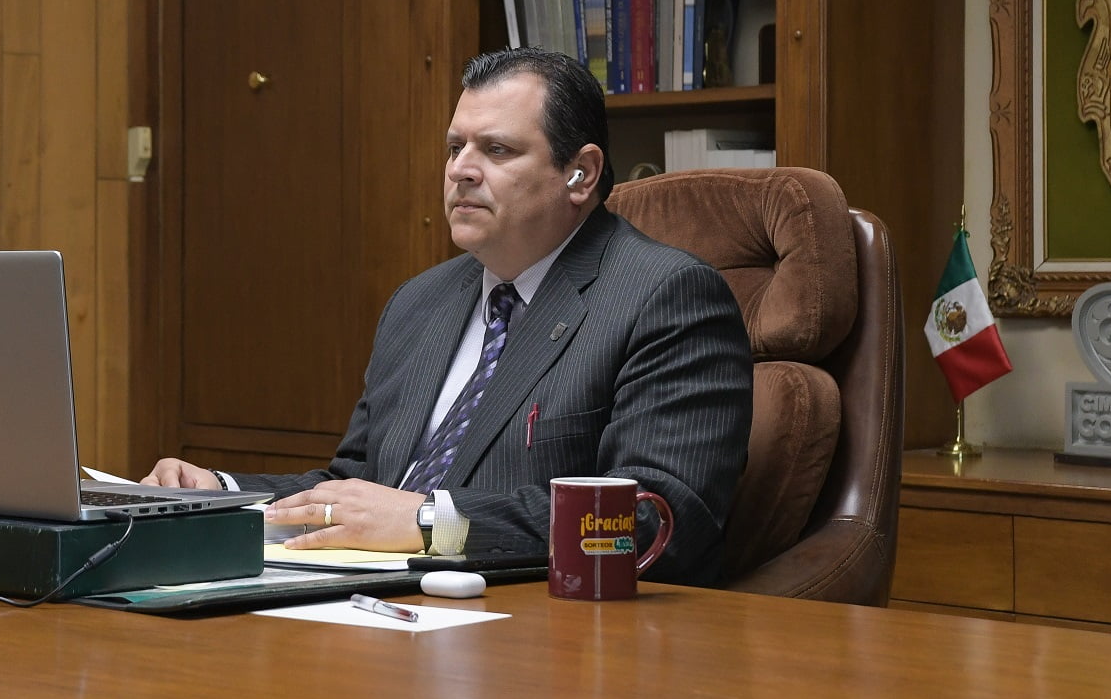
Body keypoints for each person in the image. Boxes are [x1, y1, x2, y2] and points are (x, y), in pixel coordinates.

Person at [145, 48, 752, 585]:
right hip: (376, 605)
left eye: (497, 149)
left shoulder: (664, 297)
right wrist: (222, 494)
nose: (461, 168)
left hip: (541, 633)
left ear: (580, 174)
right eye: (455, 147)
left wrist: (431, 521)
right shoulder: (420, 302)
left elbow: (653, 518)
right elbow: (359, 486)